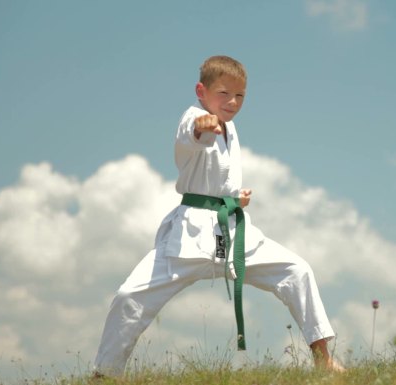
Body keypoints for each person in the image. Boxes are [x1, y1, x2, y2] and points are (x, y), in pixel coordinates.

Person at [93, 55, 343, 377]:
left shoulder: (232, 128)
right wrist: (202, 126)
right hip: (189, 237)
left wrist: (235, 197)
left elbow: (216, 177)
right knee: (130, 295)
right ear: (202, 90)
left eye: (240, 96)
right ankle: (104, 375)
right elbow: (192, 135)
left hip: (232, 232)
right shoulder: (195, 117)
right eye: (224, 93)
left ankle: (323, 359)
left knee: (297, 271)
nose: (233, 102)